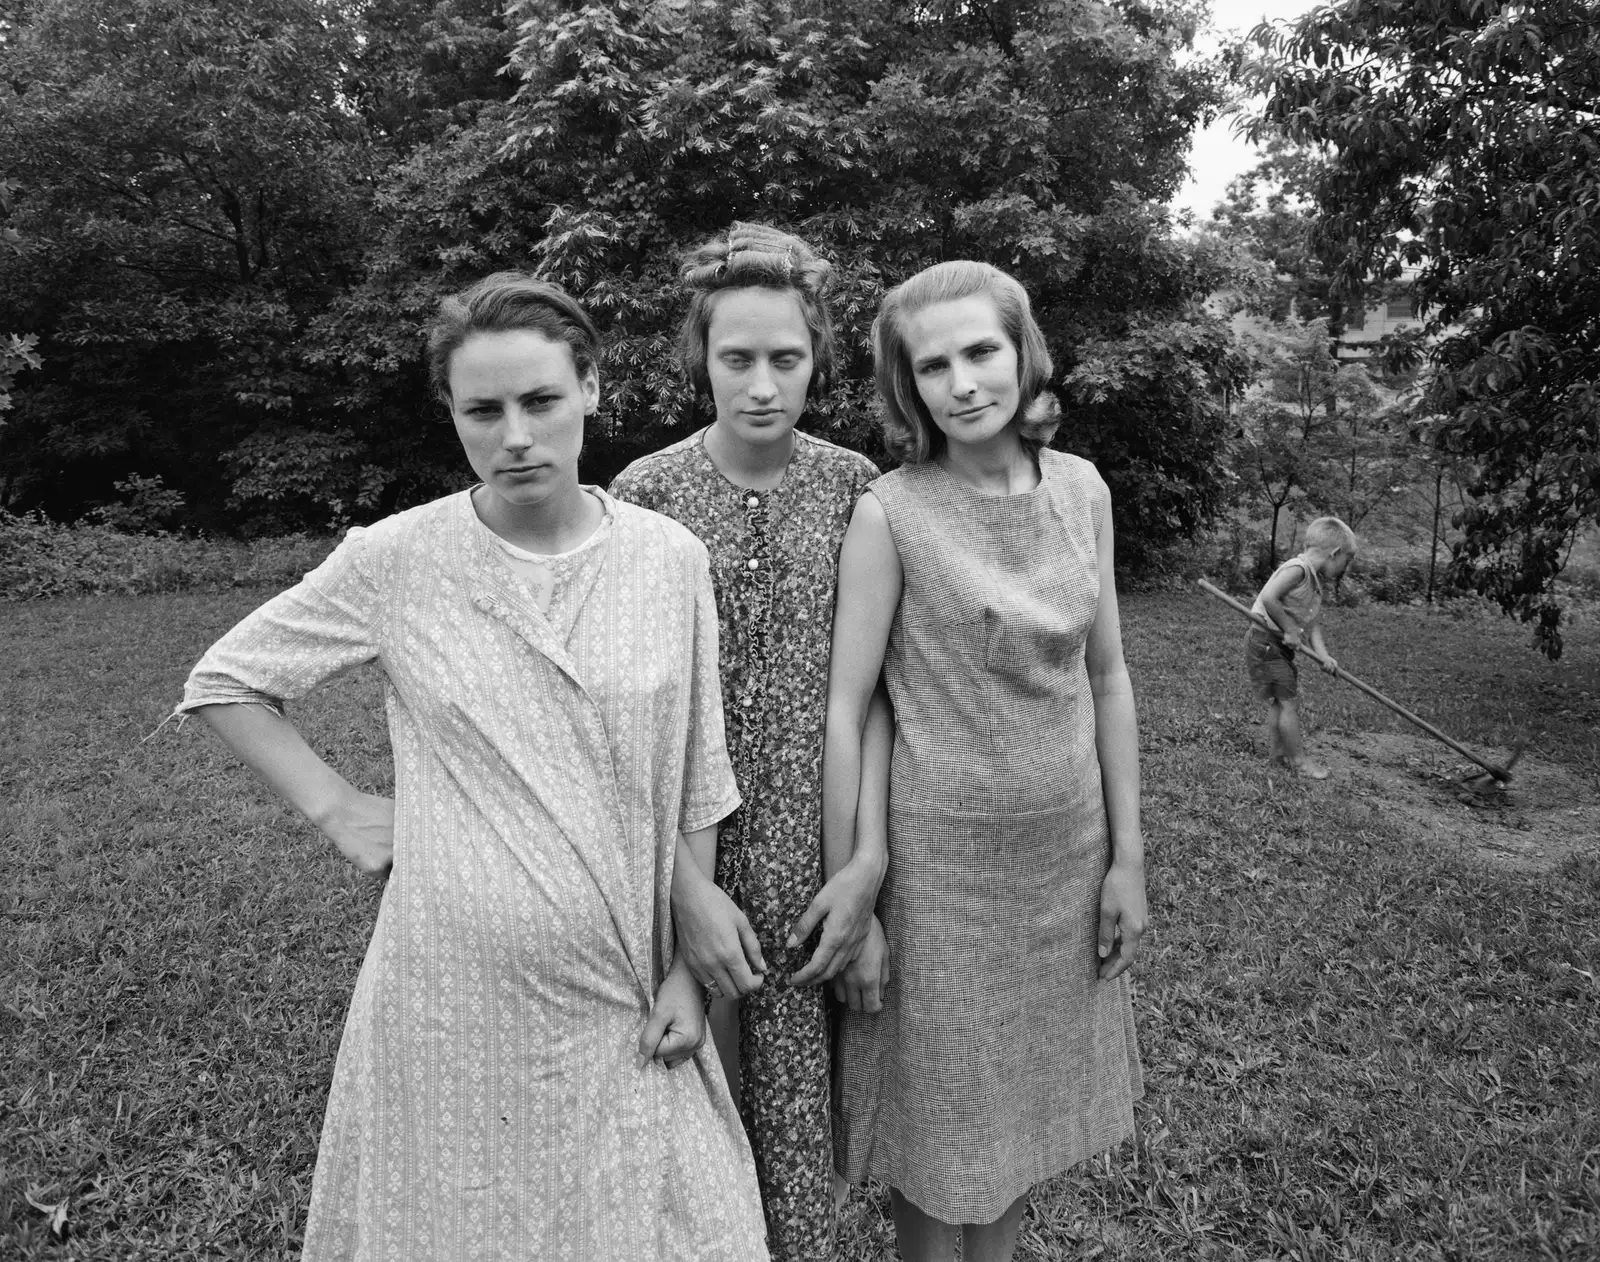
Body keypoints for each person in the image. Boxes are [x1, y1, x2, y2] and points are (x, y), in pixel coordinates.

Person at [173, 274, 769, 1261]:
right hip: (450, 992)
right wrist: (336, 807)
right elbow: (227, 679)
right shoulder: (398, 559)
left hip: (623, 989)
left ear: (588, 386)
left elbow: (697, 768)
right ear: (451, 413)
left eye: (539, 400)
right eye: (483, 410)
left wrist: (686, 972)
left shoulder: (667, 558)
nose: (516, 435)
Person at [824, 260, 1146, 1262]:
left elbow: (1108, 678)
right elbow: (848, 704)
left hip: (1065, 863)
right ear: (905, 385)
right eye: (933, 365)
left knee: (1016, 1132)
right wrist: (856, 895)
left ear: (1022, 353)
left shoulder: (1082, 490)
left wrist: (1127, 859)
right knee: (940, 1143)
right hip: (940, 879)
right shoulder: (892, 511)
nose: (962, 382)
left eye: (980, 351)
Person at [609, 222, 892, 1262]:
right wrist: (680, 889)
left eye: (785, 357)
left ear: (818, 354)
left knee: (797, 1126)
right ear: (700, 358)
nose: (763, 382)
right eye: (737, 357)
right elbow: (625, 718)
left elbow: (877, 699)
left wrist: (867, 868)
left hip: (814, 859)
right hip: (684, 859)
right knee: (678, 1125)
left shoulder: (858, 486)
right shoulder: (644, 495)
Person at [1246, 515, 1357, 779]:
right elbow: (1269, 597)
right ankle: (1299, 762)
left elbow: (1313, 625)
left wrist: (1324, 656)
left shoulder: (1316, 584)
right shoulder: (1297, 569)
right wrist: (1289, 628)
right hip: (1265, 642)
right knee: (1289, 703)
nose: (1346, 567)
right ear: (1334, 553)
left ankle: (1277, 757)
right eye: (1347, 560)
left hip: (1277, 646)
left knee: (1280, 702)